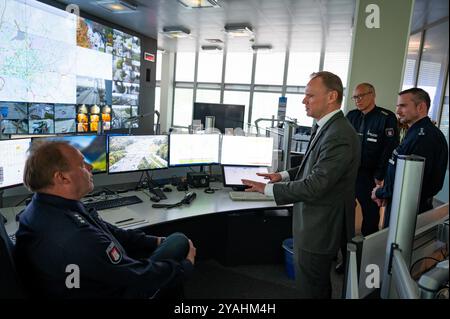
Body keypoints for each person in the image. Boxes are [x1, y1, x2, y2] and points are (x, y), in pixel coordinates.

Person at [15, 141, 196, 298]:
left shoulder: (46, 206)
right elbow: (137, 276)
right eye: (82, 164)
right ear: (62, 177)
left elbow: (109, 231)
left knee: (171, 243)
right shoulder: (75, 236)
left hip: (91, 281)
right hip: (113, 291)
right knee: (179, 242)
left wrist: (155, 241)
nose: (90, 167)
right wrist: (184, 267)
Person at [242, 71, 360, 299]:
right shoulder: (327, 127)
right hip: (314, 223)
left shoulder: (339, 134)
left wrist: (266, 189)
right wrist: (283, 175)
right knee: (312, 284)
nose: (304, 101)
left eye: (309, 96)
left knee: (312, 288)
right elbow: (313, 166)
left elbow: (315, 184)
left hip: (320, 227)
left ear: (332, 96)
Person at [371, 88, 448, 227]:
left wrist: (382, 192)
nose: (398, 111)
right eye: (397, 106)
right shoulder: (415, 132)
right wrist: (387, 193)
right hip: (399, 203)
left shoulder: (425, 137)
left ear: (421, 107)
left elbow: (412, 182)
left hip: (408, 209)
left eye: (403, 106)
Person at [346, 83, 399, 236]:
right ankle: (344, 244)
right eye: (355, 97)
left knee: (370, 213)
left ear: (372, 95)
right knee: (344, 208)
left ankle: (368, 246)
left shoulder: (385, 117)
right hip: (349, 172)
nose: (357, 100)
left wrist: (379, 175)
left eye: (361, 96)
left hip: (370, 175)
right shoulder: (351, 116)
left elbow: (389, 148)